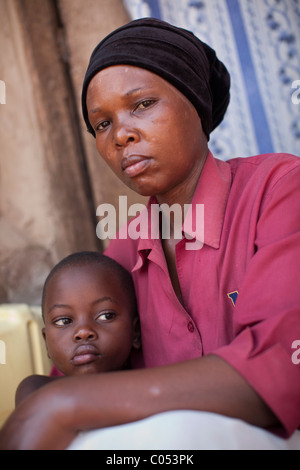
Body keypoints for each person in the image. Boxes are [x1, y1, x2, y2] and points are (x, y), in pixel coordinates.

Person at [0, 18, 300, 450]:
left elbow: (283, 367)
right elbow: (75, 378)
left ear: (194, 104)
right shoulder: (123, 250)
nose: (121, 134)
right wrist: (41, 392)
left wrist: (63, 405)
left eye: (141, 104)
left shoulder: (279, 189)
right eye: (101, 124)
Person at [15, 251, 141, 406]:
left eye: (106, 316)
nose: (83, 332)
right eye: (64, 321)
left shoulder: (154, 387)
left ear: (135, 331)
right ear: (46, 341)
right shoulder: (36, 390)